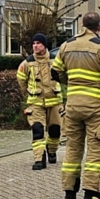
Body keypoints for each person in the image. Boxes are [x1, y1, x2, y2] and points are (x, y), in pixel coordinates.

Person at [51, 13, 100, 199]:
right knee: (96, 149)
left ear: (82, 25)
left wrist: (71, 82)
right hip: (96, 107)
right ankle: (91, 193)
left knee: (73, 148)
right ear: (98, 27)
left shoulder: (67, 45)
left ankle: (69, 191)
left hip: (73, 106)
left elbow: (54, 72)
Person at [17, 33, 62, 170]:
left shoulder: (56, 60)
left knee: (55, 130)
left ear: (44, 45)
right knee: (37, 130)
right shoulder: (27, 63)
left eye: (38, 43)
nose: (35, 46)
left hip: (54, 102)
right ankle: (39, 159)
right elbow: (21, 79)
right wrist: (29, 91)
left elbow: (65, 76)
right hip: (36, 103)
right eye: (34, 43)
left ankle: (52, 150)